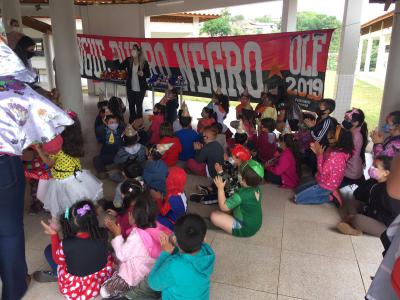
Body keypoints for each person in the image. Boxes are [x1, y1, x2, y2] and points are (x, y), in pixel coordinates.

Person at [34, 201, 113, 299]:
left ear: (71, 224)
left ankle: (56, 274)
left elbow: (58, 260)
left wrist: (54, 235)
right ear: (93, 219)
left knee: (48, 250)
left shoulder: (67, 244)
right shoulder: (103, 233)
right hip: (99, 281)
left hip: (78, 289)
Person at [36, 113, 103, 220]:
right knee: (83, 199)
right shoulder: (75, 142)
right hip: (78, 178)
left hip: (63, 181)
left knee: (64, 204)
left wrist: (40, 151)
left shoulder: (56, 147)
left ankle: (66, 220)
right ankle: (92, 213)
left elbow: (50, 163)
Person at [101, 198, 171, 299]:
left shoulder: (137, 236)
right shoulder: (158, 228)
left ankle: (123, 292)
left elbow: (121, 255)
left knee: (104, 291)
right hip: (145, 273)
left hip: (130, 277)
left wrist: (117, 234)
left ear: (134, 219)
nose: (129, 214)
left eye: (131, 213)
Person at [148, 214, 215, 299]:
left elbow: (153, 283)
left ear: (175, 239)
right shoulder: (208, 253)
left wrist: (165, 253)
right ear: (204, 238)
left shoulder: (174, 265)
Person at [337, 156, 397, 236]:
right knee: (350, 202)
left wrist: (367, 211)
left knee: (358, 219)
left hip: (385, 226)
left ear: (386, 173)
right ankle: (354, 223)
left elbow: (389, 218)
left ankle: (355, 229)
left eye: (375, 167)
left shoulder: (389, 191)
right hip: (370, 211)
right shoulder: (374, 182)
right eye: (372, 165)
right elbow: (357, 194)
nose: (371, 168)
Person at [294, 125, 353, 206]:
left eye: (331, 138)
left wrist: (319, 155)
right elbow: (324, 163)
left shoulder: (336, 155)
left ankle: (330, 197)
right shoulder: (332, 149)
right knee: (297, 190)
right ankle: (328, 193)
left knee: (297, 199)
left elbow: (322, 171)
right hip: (321, 180)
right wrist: (317, 152)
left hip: (326, 185)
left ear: (340, 140)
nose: (329, 139)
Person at [211, 160, 264, 237]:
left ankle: (235, 226)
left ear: (244, 180)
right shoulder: (257, 188)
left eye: (239, 173)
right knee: (232, 203)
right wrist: (221, 172)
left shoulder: (240, 195)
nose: (238, 174)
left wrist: (220, 188)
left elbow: (223, 207)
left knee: (214, 216)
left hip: (245, 228)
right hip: (255, 224)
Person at [114, 44, 150, 122]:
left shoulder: (144, 62)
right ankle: (132, 122)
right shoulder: (128, 60)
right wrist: (116, 58)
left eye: (134, 49)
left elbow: (148, 74)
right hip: (130, 88)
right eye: (132, 49)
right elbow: (120, 67)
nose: (132, 51)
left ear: (139, 52)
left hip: (141, 89)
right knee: (131, 105)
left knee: (139, 106)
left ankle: (139, 123)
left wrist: (143, 73)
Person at [304, 99, 337, 174]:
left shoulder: (328, 121)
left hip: (321, 150)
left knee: (317, 168)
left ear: (328, 111)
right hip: (315, 147)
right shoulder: (320, 118)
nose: (319, 107)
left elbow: (318, 138)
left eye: (322, 106)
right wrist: (312, 126)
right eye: (320, 105)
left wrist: (311, 128)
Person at [153, 167, 187, 231]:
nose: (166, 178)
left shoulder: (172, 197)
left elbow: (163, 212)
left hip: (173, 223)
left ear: (172, 181)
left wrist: (158, 199)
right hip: (180, 217)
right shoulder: (181, 191)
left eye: (168, 177)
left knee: (153, 213)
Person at [341, 108, 368, 187]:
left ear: (356, 123)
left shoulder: (355, 136)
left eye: (347, 119)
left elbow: (345, 152)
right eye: (345, 119)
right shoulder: (353, 130)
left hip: (351, 171)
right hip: (355, 168)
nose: (344, 122)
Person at [23, 146, 51, 215]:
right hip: (32, 167)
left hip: (45, 166)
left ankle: (48, 205)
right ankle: (36, 204)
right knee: (34, 187)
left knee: (48, 186)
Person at [93, 114, 124, 179]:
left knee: (126, 158)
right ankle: (102, 172)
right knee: (96, 159)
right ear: (106, 123)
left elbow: (124, 125)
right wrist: (105, 125)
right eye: (111, 122)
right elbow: (98, 130)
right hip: (107, 155)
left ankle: (121, 169)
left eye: (115, 122)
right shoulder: (104, 131)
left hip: (119, 154)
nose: (114, 124)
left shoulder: (120, 131)